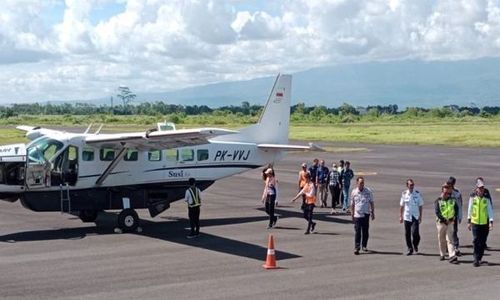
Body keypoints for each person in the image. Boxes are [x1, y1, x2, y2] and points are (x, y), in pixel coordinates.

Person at [467, 181, 494, 267]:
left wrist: (491, 221)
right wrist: (469, 221)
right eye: (479, 188)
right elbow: (470, 209)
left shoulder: (486, 199)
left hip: (484, 223)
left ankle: (479, 258)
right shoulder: (473, 198)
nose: (481, 190)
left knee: (482, 241)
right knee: (476, 240)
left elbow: (490, 210)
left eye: (482, 188)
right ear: (476, 189)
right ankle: (475, 258)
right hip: (475, 222)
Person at [434, 183, 459, 263]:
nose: (447, 194)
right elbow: (437, 212)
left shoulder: (452, 200)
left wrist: (452, 218)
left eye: (448, 192)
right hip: (441, 223)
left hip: (450, 222)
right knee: (441, 239)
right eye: (445, 192)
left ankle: (452, 255)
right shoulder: (438, 201)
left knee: (450, 239)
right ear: (442, 191)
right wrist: (444, 220)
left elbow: (456, 210)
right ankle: (442, 254)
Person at [399, 179, 424, 255]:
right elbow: (401, 206)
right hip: (407, 216)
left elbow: (420, 205)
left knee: (415, 233)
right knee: (407, 234)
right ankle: (410, 248)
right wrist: (401, 216)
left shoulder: (417, 194)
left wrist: (420, 216)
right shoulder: (404, 194)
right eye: (410, 185)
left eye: (413, 185)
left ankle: (415, 244)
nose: (412, 186)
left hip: (415, 216)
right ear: (407, 186)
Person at [350, 176, 374, 255]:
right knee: (357, 232)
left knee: (365, 231)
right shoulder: (354, 192)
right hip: (357, 215)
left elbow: (371, 202)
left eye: (363, 183)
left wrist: (372, 212)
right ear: (357, 183)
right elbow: (352, 204)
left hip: (366, 214)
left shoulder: (368, 191)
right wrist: (352, 213)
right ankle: (357, 247)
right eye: (360, 183)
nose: (362, 184)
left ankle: (364, 245)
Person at [447, 176, 463, 256]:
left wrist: (460, 216)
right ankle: (448, 247)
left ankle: (456, 247)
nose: (450, 184)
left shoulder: (457, 192)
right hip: (446, 215)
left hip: (454, 216)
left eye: (451, 183)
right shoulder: (445, 191)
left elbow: (460, 205)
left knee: (454, 231)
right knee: (447, 232)